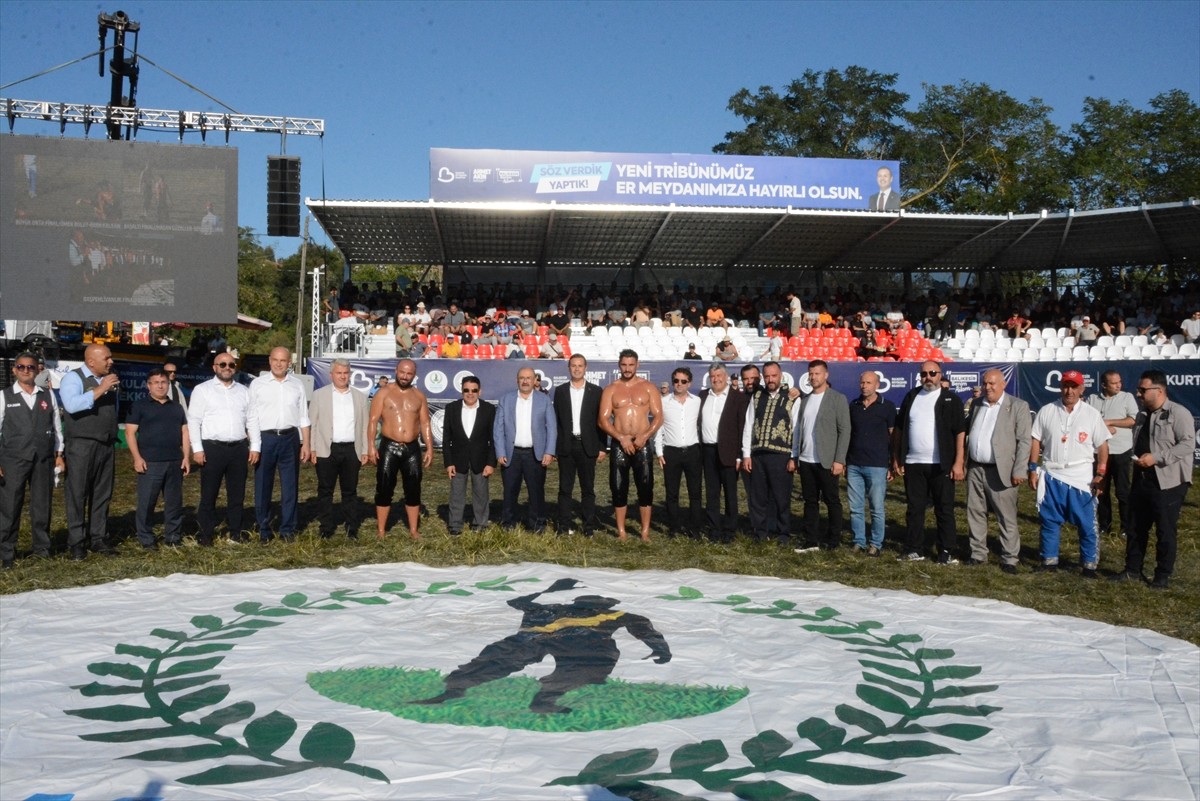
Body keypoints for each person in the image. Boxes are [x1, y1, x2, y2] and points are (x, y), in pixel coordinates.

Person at [414, 578, 670, 714]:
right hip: (538, 637)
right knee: (497, 659)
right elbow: (517, 602)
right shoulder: (555, 607)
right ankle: (454, 690)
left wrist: (660, 649)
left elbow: (644, 629)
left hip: (583, 643)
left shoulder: (615, 615)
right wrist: (551, 589)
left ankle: (545, 700)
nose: (592, 605)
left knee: (588, 666)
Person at [1113, 370, 1195, 590]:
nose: (1138, 394)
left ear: (1159, 390)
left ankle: (1162, 575)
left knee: (1165, 530)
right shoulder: (1142, 415)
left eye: (1143, 390)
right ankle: (1132, 570)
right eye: (1139, 389)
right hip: (1141, 479)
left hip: (1168, 482)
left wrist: (1156, 458)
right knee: (1135, 527)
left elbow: (1188, 444)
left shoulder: (1179, 413)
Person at [1028, 370, 1110, 577]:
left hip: (1081, 477)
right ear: (1061, 387)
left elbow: (1102, 445)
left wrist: (1100, 473)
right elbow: (1035, 439)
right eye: (1066, 385)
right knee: (1049, 520)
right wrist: (1032, 468)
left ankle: (1089, 565)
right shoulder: (1047, 410)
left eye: (1074, 386)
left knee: (1086, 524)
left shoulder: (1091, 414)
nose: (1069, 391)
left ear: (1082, 389)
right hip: (1052, 473)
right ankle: (1049, 561)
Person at [891, 360, 966, 564]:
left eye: (932, 373)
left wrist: (958, 462)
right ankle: (914, 548)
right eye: (924, 374)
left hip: (941, 464)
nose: (928, 377)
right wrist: (897, 457)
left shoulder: (951, 399)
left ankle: (946, 550)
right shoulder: (911, 396)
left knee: (944, 508)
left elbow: (960, 432)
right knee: (914, 508)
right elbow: (899, 429)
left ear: (940, 374)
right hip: (914, 463)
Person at [963, 369, 1030, 574]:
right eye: (985, 383)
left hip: (1003, 470)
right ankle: (978, 554)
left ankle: (1010, 557)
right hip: (975, 468)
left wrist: (1019, 470)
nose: (987, 387)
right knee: (974, 512)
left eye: (992, 383)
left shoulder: (1018, 406)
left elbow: (1024, 441)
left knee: (1006, 516)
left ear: (1003, 384)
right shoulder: (976, 404)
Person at [0, 353, 63, 568]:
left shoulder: (48, 395)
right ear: (14, 370)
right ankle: (6, 552)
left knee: (42, 505)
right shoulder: (4, 396)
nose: (26, 371)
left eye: (31, 367)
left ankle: (42, 549)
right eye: (21, 367)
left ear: (37, 370)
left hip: (43, 459)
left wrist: (59, 454)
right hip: (13, 460)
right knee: (10, 506)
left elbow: (57, 428)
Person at [59, 343, 120, 560]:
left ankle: (99, 538)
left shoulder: (108, 379)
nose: (111, 362)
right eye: (107, 358)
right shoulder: (73, 379)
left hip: (105, 444)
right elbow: (72, 405)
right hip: (81, 445)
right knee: (78, 493)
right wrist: (101, 388)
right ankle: (76, 542)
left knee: (102, 494)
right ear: (91, 361)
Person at [188, 354, 254, 545]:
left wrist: (255, 446)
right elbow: (194, 421)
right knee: (209, 494)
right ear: (214, 367)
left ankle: (236, 532)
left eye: (231, 364)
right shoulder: (202, 390)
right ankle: (205, 534)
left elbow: (252, 420)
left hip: (238, 448)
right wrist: (197, 449)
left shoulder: (244, 391)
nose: (227, 367)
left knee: (237, 494)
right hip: (212, 448)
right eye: (223, 364)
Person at [247, 348, 312, 542]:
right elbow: (252, 417)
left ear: (289, 363)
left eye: (283, 360)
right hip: (265, 439)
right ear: (269, 360)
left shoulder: (297, 384)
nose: (278, 364)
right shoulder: (257, 384)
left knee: (290, 486)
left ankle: (287, 529)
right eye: (275, 360)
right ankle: (264, 529)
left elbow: (303, 416)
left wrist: (306, 443)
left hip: (290, 438)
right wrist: (255, 446)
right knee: (263, 486)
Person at [598, 350, 663, 541]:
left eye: (631, 365)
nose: (627, 369)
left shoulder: (648, 387)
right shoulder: (611, 389)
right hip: (620, 443)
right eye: (624, 365)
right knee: (618, 487)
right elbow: (602, 420)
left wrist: (645, 436)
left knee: (645, 486)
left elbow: (658, 417)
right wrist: (621, 437)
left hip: (642, 443)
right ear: (619, 365)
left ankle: (644, 532)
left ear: (637, 365)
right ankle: (621, 532)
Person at [367, 359, 435, 540]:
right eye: (402, 372)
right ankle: (381, 530)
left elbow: (425, 423)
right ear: (396, 370)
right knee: (384, 487)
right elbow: (373, 420)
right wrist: (370, 446)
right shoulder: (383, 392)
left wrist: (429, 448)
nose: (405, 376)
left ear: (414, 374)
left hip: (412, 448)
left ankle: (413, 530)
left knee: (413, 488)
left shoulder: (419, 396)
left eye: (409, 373)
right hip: (389, 446)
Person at [125, 369, 191, 550]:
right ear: (148, 385)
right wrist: (137, 458)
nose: (160, 386)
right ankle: (146, 539)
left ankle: (173, 537)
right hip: (150, 462)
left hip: (174, 461)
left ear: (168, 385)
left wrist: (186, 457)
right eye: (156, 382)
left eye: (163, 382)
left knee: (174, 503)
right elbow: (130, 433)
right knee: (147, 503)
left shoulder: (176, 407)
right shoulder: (139, 405)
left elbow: (184, 432)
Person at [791, 360, 851, 552]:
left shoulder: (837, 398)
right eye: (811, 373)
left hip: (827, 461)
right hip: (807, 460)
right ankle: (811, 539)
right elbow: (799, 430)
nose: (813, 377)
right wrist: (797, 456)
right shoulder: (806, 400)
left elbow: (845, 430)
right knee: (810, 502)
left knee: (832, 501)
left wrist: (839, 459)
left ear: (826, 375)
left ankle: (833, 539)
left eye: (817, 373)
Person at [307, 359, 370, 540]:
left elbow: (364, 426)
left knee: (350, 491)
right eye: (339, 373)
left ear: (349, 374)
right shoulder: (319, 395)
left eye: (345, 373)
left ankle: (351, 528)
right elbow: (313, 424)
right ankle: (326, 528)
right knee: (325, 490)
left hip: (352, 449)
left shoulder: (359, 396)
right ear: (331, 375)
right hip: (327, 449)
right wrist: (312, 448)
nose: (343, 376)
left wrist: (364, 450)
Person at [741, 362, 799, 545]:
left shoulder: (792, 397)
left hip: (781, 455)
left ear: (780, 375)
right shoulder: (757, 396)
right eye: (766, 376)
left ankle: (783, 533)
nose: (770, 379)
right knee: (758, 497)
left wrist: (793, 456)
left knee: (781, 497)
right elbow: (748, 425)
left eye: (773, 375)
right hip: (758, 454)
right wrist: (746, 454)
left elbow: (796, 428)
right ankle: (761, 532)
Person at [494, 366, 557, 532]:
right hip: (511, 453)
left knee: (536, 492)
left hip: (535, 454)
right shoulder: (506, 400)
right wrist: (500, 452)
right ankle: (508, 524)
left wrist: (549, 451)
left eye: (529, 378)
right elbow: (498, 429)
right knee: (509, 491)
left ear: (535, 380)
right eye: (522, 378)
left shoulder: (543, 400)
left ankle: (537, 524)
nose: (525, 381)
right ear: (517, 380)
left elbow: (551, 427)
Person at [553, 355, 606, 536]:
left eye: (580, 366)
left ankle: (588, 527)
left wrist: (601, 446)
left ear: (586, 367)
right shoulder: (560, 391)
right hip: (566, 446)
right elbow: (556, 422)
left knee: (588, 489)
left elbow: (601, 421)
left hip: (588, 446)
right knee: (564, 489)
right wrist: (555, 447)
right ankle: (563, 526)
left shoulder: (596, 391)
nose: (576, 369)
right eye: (573, 366)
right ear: (569, 368)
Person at [846, 370, 895, 557]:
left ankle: (876, 543)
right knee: (855, 507)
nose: (864, 386)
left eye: (868, 383)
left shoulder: (887, 407)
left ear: (877, 385)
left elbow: (893, 436)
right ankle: (858, 541)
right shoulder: (854, 405)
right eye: (862, 382)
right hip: (854, 464)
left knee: (876, 507)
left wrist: (891, 462)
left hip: (877, 464)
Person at [699, 364, 749, 542]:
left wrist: (739, 455)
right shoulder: (703, 396)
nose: (716, 379)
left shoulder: (738, 398)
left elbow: (742, 427)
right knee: (712, 493)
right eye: (713, 376)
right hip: (708, 451)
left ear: (726, 376)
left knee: (730, 494)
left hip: (729, 452)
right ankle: (714, 530)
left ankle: (729, 531)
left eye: (719, 375)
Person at [442, 375, 497, 535]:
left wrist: (491, 463)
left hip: (481, 460)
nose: (470, 393)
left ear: (480, 391)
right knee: (456, 495)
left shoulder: (488, 409)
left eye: (474, 390)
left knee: (481, 495)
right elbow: (446, 439)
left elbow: (494, 439)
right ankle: (455, 525)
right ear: (462, 391)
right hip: (458, 460)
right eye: (466, 390)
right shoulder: (451, 409)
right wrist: (448, 462)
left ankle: (480, 524)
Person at [1086, 370, 1137, 539]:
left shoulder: (1126, 397)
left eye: (1119, 382)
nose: (1118, 385)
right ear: (1104, 385)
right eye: (1114, 383)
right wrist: (1103, 428)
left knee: (1122, 491)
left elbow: (1132, 420)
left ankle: (1127, 527)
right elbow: (1086, 421)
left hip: (1121, 449)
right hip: (1099, 452)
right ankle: (1104, 525)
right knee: (1101, 490)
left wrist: (1110, 422)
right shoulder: (1093, 399)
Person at [655, 366, 703, 538]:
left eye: (683, 381)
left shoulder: (697, 401)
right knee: (671, 493)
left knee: (695, 493)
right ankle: (674, 527)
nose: (679, 384)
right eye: (676, 381)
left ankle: (695, 528)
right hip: (671, 452)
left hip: (693, 452)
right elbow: (658, 428)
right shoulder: (663, 402)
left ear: (689, 383)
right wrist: (659, 453)